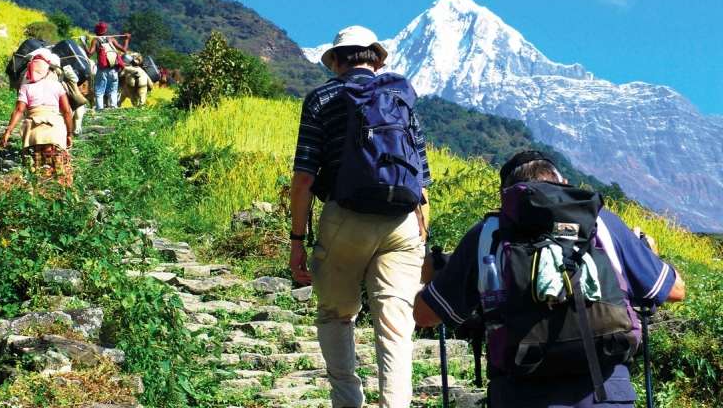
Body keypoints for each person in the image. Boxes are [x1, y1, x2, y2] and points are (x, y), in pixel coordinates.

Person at [413, 151, 686, 408]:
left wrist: (425, 275)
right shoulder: (602, 224)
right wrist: (650, 253)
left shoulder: (488, 235)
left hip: (519, 395)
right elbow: (674, 290)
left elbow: (425, 316)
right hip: (605, 392)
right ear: (564, 184)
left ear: (504, 197)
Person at [289, 25, 432, 408]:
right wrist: (422, 237)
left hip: (345, 218)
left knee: (336, 314)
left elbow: (303, 178)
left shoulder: (321, 98)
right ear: (376, 57)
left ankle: (348, 401)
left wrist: (297, 242)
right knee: (395, 325)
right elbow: (423, 182)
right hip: (403, 222)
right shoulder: (399, 96)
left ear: (336, 60)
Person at [0, 49, 75, 185]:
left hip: (33, 131)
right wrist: (69, 133)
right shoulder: (57, 86)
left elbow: (19, 110)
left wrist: (8, 131)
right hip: (55, 130)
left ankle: (36, 192)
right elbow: (67, 112)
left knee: (34, 168)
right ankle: (63, 193)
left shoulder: (26, 88)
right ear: (47, 70)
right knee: (61, 169)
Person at [86, 21, 130, 110]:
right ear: (105, 30)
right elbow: (124, 50)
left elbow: (89, 54)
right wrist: (126, 39)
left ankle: (100, 109)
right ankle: (113, 107)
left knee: (99, 91)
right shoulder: (111, 39)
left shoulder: (95, 40)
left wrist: (84, 43)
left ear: (96, 31)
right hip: (114, 70)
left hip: (102, 70)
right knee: (113, 90)